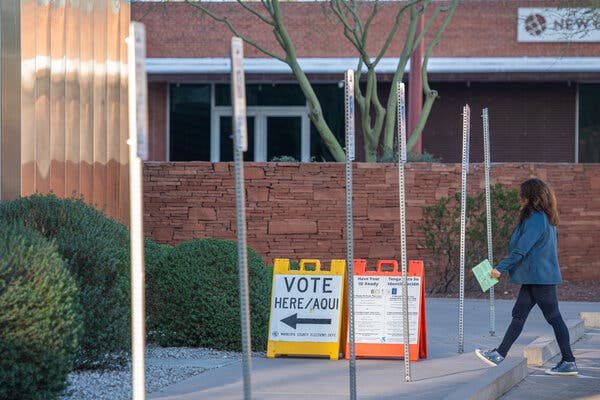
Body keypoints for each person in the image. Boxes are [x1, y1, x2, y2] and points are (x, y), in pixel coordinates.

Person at [475, 178, 577, 376]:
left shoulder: (536, 219)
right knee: (519, 314)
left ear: (530, 196)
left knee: (554, 318)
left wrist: (500, 269)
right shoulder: (545, 218)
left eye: (522, 193)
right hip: (536, 277)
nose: (519, 197)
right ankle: (499, 354)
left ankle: (569, 361)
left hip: (540, 278)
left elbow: (521, 249)